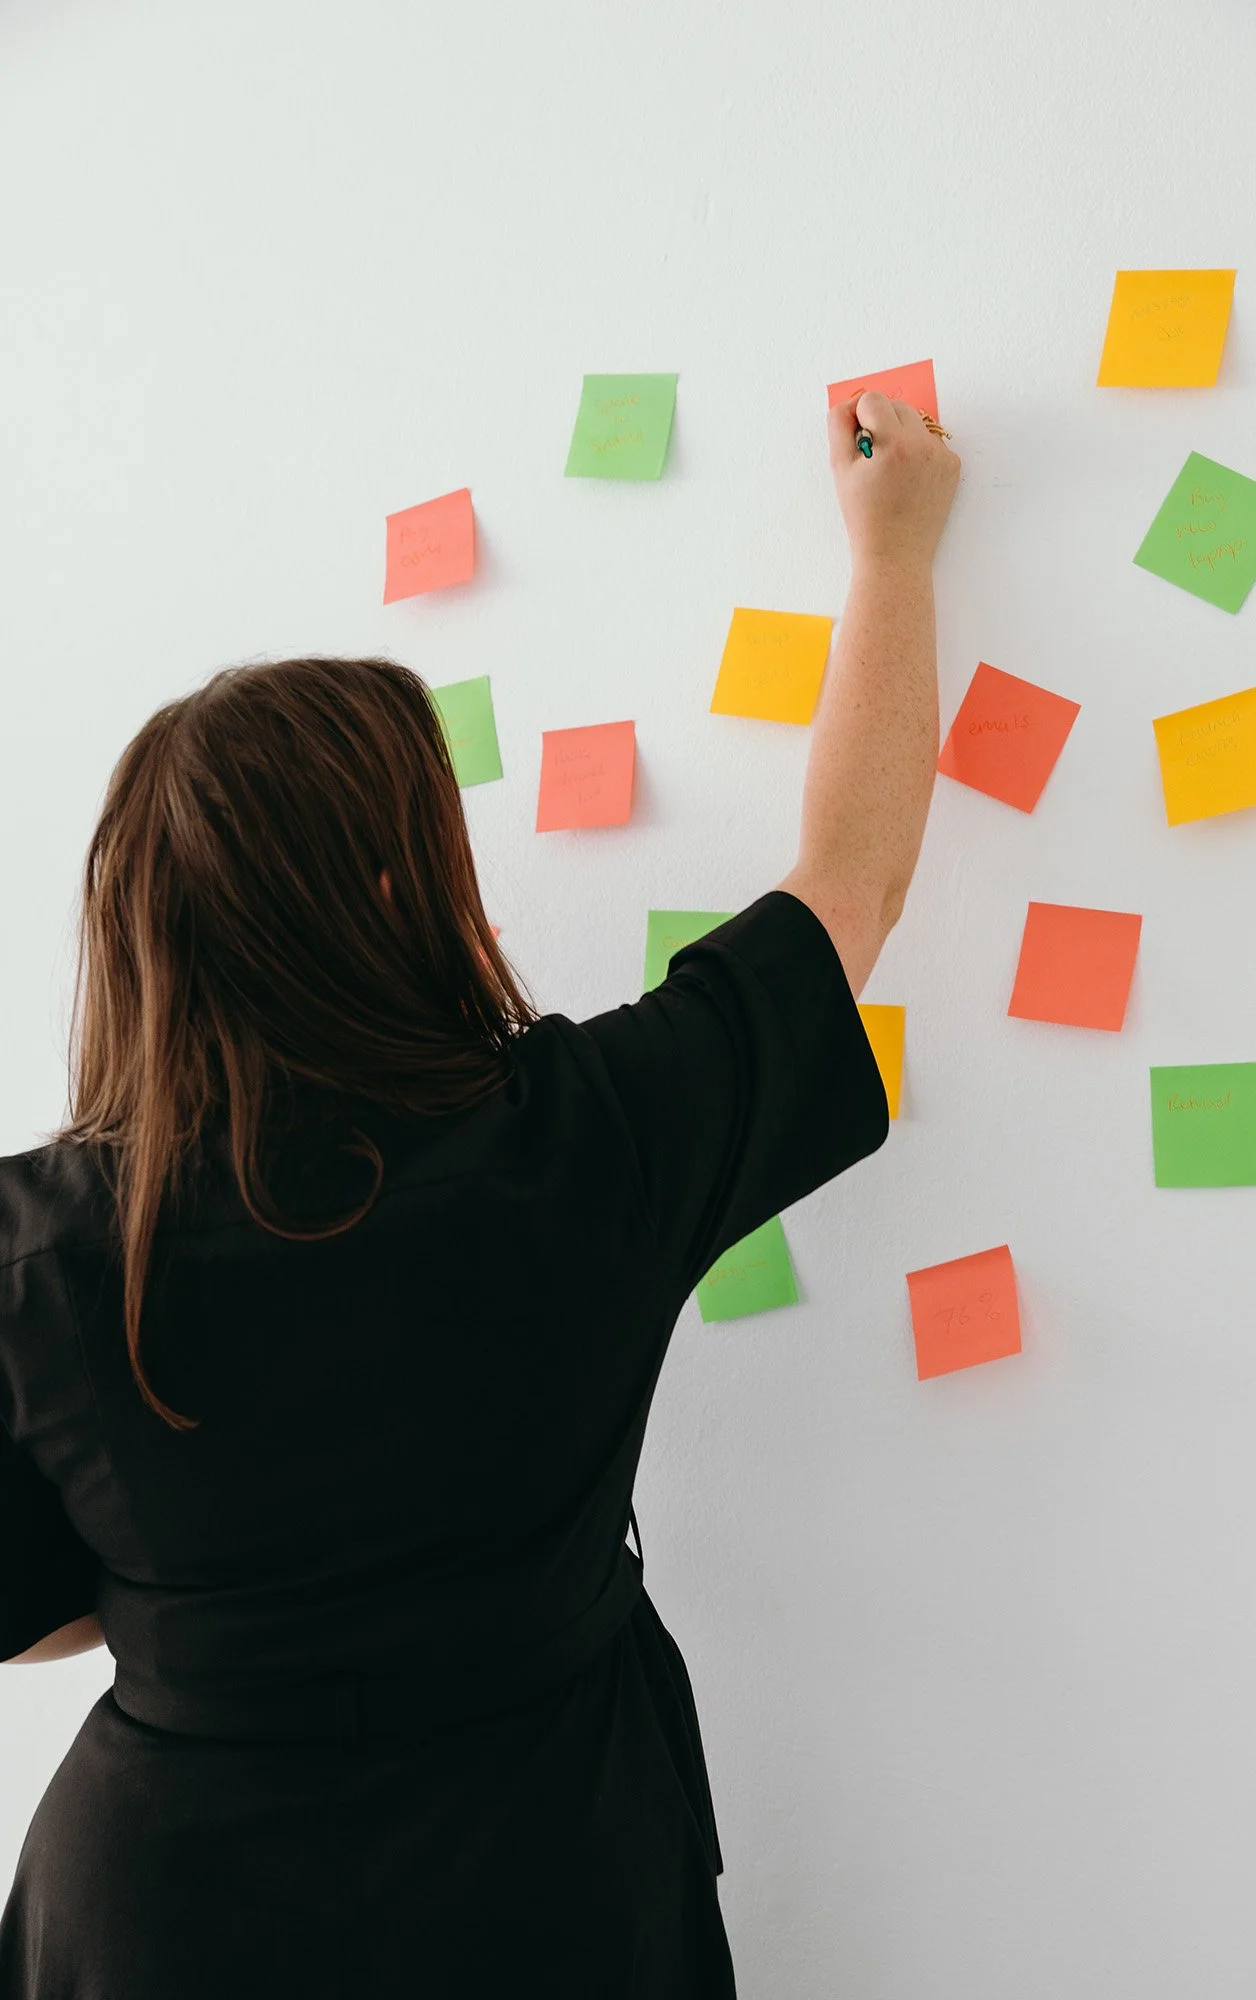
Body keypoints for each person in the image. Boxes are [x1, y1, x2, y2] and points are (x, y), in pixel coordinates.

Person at [0, 392, 958, 1999]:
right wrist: (897, 550)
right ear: (393, 895)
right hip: (548, 1891)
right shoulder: (579, 1139)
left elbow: (29, 1620)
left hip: (156, 1922)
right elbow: (848, 884)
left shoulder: (39, 1247)